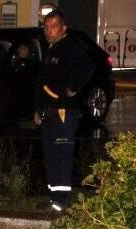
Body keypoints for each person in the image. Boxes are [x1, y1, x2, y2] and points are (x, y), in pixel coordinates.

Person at [34, 10, 94, 212]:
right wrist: (39, 109)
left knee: (61, 156)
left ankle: (61, 201)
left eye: (53, 26)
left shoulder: (69, 46)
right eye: (46, 26)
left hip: (64, 113)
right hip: (49, 112)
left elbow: (88, 66)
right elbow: (44, 83)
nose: (48, 30)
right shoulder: (52, 48)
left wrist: (73, 88)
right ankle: (53, 198)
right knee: (50, 156)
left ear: (63, 28)